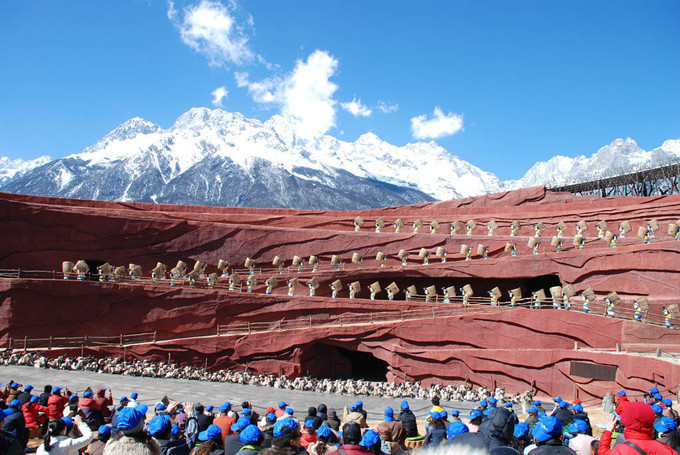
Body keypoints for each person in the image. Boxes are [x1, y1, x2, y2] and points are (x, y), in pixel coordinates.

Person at [598, 402, 676, 455]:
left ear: (626, 421)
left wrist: (608, 431)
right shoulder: (666, 449)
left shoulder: (621, 451)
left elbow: (603, 452)